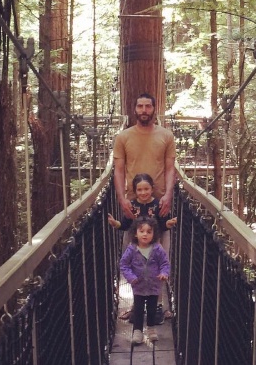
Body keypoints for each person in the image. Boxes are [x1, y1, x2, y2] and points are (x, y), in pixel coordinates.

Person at [113, 93, 176, 320]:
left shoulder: (166, 136)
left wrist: (168, 194)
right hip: (134, 206)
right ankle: (136, 306)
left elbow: (170, 168)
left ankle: (157, 306)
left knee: (160, 259)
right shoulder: (123, 137)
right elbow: (118, 171)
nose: (144, 110)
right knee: (132, 258)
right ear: (134, 108)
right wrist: (122, 198)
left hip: (159, 206)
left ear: (154, 108)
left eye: (148, 106)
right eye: (139, 106)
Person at [119, 217, 170, 345]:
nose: (145, 234)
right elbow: (124, 265)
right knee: (138, 309)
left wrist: (164, 273)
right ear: (136, 233)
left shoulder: (157, 248)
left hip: (154, 286)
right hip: (138, 286)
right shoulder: (132, 249)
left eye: (149, 232)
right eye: (142, 231)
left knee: (152, 308)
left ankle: (151, 329)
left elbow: (165, 263)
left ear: (154, 234)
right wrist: (130, 277)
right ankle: (137, 331)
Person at [108, 173, 177, 232]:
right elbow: (125, 225)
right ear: (135, 191)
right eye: (139, 190)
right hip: (135, 244)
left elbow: (162, 226)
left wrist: (169, 223)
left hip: (154, 244)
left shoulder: (159, 204)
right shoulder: (131, 205)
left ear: (152, 189)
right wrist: (115, 223)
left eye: (146, 189)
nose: (143, 193)